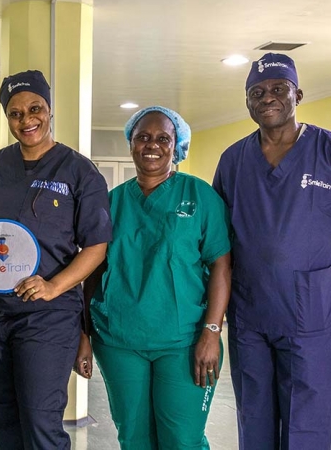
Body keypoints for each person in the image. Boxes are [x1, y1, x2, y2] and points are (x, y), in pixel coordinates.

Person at [0, 70, 112, 449]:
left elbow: (97, 245)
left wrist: (53, 285)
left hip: (47, 316)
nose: (26, 119)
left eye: (35, 109)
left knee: (40, 420)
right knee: (2, 417)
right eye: (15, 113)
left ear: (49, 110)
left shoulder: (79, 171)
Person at [83, 106, 232, 449]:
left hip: (185, 341)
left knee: (183, 439)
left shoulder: (200, 197)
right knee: (133, 438)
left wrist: (212, 331)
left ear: (176, 144)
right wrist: (85, 334)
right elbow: (92, 272)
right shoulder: (111, 203)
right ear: (131, 144)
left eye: (163, 138)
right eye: (143, 137)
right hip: (120, 340)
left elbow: (222, 265)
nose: (152, 145)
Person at [213, 53, 331, 449]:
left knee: (308, 419)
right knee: (255, 414)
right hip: (250, 315)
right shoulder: (233, 160)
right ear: (248, 101)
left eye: (278, 89)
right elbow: (217, 241)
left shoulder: (326, 150)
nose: (268, 98)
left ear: (297, 94)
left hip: (312, 314)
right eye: (257, 92)